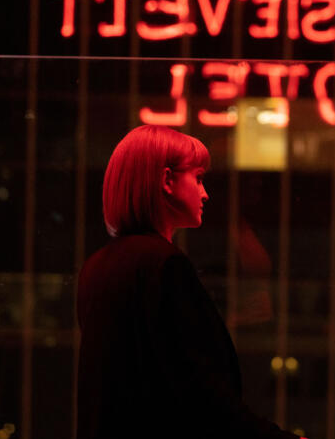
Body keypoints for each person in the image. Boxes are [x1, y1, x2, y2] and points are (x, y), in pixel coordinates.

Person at [77, 125, 304, 439]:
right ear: (167, 180)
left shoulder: (96, 268)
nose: (205, 192)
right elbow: (199, 390)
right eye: (197, 178)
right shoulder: (165, 265)